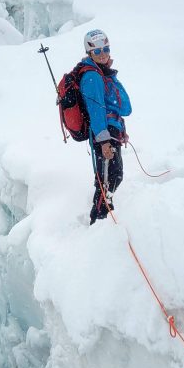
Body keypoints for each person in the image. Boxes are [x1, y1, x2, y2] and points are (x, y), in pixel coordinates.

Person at [79, 29, 132, 224]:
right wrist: (104, 141)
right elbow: (96, 110)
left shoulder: (103, 73)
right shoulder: (92, 77)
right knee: (109, 177)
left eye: (106, 49)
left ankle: (103, 214)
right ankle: (99, 219)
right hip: (104, 134)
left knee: (111, 176)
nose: (103, 54)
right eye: (98, 51)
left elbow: (122, 107)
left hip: (110, 131)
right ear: (89, 52)